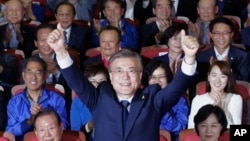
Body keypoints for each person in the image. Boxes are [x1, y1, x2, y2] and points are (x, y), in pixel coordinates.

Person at [46, 22, 199, 141]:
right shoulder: (99, 98)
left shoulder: (153, 99)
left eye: (131, 71)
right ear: (110, 76)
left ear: (140, 76)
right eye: (119, 71)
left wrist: (190, 58)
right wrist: (60, 51)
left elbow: (177, 88)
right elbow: (77, 82)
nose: (125, 77)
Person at [6, 57, 68, 141]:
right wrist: (29, 122)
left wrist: (46, 117)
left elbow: (64, 126)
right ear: (23, 76)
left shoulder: (57, 99)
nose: (33, 77)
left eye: (38, 73)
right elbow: (10, 131)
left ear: (45, 75)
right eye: (29, 72)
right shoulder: (14, 102)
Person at [142, 59, 189, 141]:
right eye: (152, 77)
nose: (157, 81)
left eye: (161, 77)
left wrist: (162, 109)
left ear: (168, 79)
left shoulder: (179, 100)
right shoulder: (140, 99)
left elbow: (180, 128)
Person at [188, 60, 243, 128]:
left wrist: (221, 110)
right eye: (214, 75)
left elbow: (236, 132)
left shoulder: (236, 99)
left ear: (228, 79)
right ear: (209, 77)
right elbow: (191, 128)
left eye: (222, 76)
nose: (217, 80)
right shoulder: (198, 100)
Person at [197, 17, 250, 82]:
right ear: (211, 35)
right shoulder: (201, 57)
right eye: (217, 33)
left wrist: (228, 69)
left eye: (225, 33)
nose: (221, 37)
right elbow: (199, 84)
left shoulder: (243, 56)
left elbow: (245, 83)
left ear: (231, 34)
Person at [71, 63, 109, 140]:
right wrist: (90, 125)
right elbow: (76, 133)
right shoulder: (77, 103)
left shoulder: (113, 101)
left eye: (102, 82)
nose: (96, 85)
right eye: (92, 82)